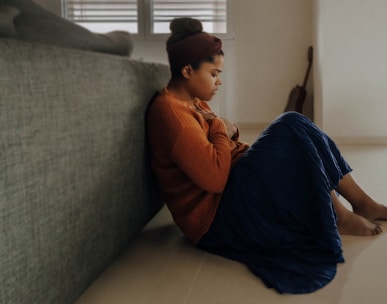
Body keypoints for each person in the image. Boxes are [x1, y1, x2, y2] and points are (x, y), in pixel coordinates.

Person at [146, 17, 387, 294]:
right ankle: (339, 215)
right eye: (214, 73)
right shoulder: (172, 114)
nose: (219, 81)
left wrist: (230, 131)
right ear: (188, 70)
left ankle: (363, 202)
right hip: (215, 217)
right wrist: (219, 127)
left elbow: (220, 141)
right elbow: (214, 179)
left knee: (295, 124)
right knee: (290, 126)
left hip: (229, 190)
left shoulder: (191, 100)